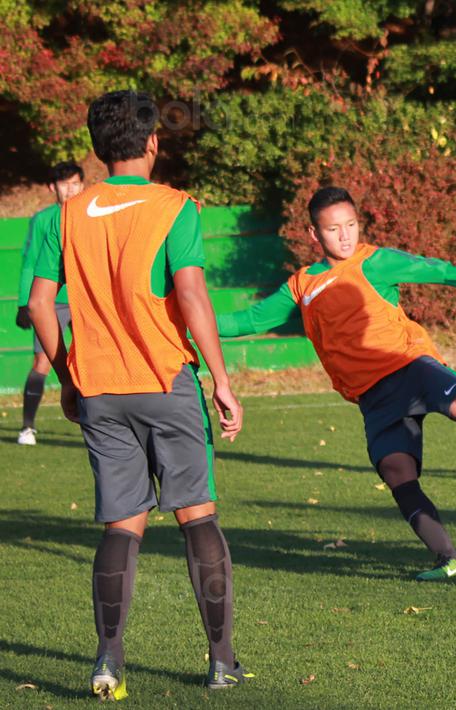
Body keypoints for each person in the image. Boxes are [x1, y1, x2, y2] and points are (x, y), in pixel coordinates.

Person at [216, 186, 456, 581]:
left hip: (411, 367)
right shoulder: (301, 285)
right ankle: (449, 559)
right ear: (315, 235)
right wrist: (188, 322)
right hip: (374, 398)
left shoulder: (376, 261)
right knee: (397, 474)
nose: (345, 235)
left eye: (351, 224)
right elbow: (248, 321)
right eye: (334, 229)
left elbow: (445, 272)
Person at [29, 89, 247, 699]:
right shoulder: (175, 207)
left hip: (99, 388)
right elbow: (193, 296)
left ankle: (107, 662)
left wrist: (70, 378)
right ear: (153, 142)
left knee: (122, 526)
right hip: (164, 380)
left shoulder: (64, 216)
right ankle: (223, 661)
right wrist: (221, 379)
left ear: (98, 150)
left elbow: (42, 304)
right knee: (196, 515)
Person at [14, 161, 84, 445]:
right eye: (64, 184)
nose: (70, 189)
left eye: (76, 183)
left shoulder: (90, 214)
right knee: (42, 361)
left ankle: (96, 421)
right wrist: (23, 303)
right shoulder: (44, 219)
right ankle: (27, 427)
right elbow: (30, 261)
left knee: (90, 360)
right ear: (52, 187)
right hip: (50, 302)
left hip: (84, 300)